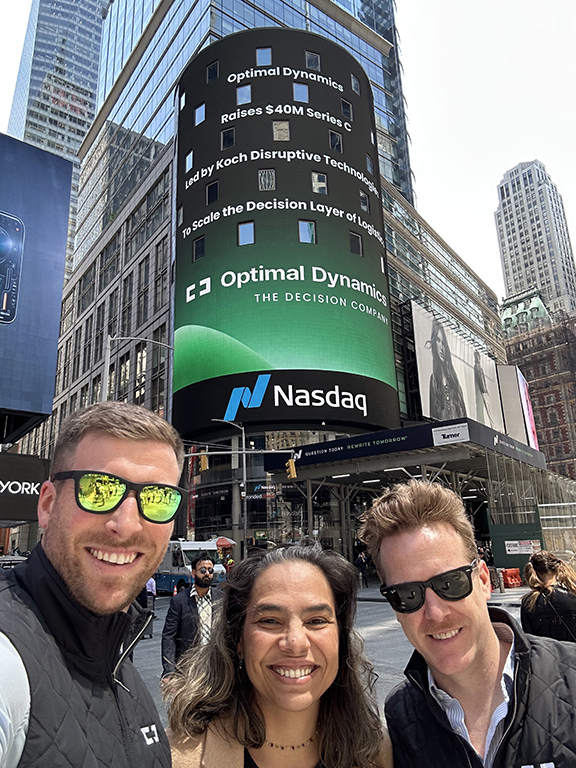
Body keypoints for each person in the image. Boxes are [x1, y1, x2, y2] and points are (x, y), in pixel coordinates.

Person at [0, 401, 186, 768]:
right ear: (48, 505)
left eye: (158, 498)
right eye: (100, 489)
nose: (128, 524)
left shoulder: (123, 669)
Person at [360, 479, 576, 768]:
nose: (435, 613)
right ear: (395, 608)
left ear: (483, 580)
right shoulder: (399, 717)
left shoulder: (571, 678)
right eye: (407, 595)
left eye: (451, 582)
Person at [166, 545, 392, 768]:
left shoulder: (377, 752)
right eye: (270, 621)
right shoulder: (173, 757)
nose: (295, 643)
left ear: (341, 639)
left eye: (316, 621)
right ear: (238, 640)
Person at [161, 551, 224, 677]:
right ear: (193, 573)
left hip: (215, 668)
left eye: (210, 570)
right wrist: (169, 670)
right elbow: (169, 637)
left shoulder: (221, 598)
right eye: (203, 570)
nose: (207, 573)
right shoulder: (179, 601)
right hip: (188, 669)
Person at [521, 550, 576, 642]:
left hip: (546, 654)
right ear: (556, 569)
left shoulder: (529, 602)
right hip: (572, 653)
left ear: (533, 572)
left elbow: (529, 638)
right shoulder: (572, 595)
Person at [426, 318, 467, 421]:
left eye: (444, 343)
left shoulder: (454, 378)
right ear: (434, 342)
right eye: (438, 341)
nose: (441, 348)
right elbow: (433, 418)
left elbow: (464, 413)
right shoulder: (434, 380)